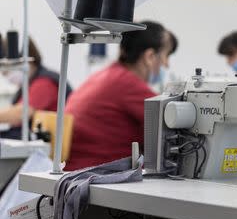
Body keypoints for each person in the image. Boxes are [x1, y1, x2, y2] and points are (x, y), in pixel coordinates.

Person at [65, 20, 174, 170]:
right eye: (166, 55)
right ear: (149, 57)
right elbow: (172, 131)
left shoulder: (107, 75)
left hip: (77, 173)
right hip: (97, 178)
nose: (167, 64)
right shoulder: (127, 85)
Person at [0, 38, 71, 138]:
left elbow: (21, 113)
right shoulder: (28, 86)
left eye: (7, 71)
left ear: (26, 61)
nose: (5, 75)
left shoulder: (44, 83)